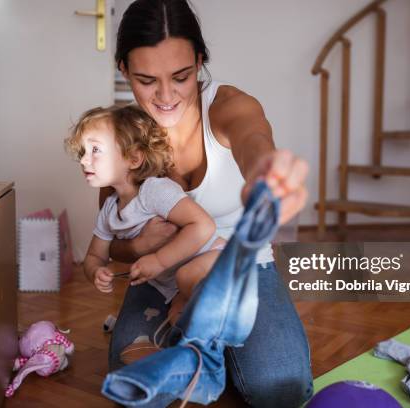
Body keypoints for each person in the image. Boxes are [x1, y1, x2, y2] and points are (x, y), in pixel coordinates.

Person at [106, 0, 313, 406]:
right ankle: (208, 345)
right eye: (147, 80)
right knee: (139, 389)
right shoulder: (118, 139)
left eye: (180, 77)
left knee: (280, 387)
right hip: (163, 277)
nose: (166, 96)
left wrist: (267, 175)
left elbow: (254, 141)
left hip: (237, 268)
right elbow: (112, 243)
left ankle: (217, 345)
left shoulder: (230, 106)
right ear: (124, 70)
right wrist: (140, 246)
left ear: (200, 62)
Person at [65, 105, 226, 328]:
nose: (83, 160)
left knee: (187, 277)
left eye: (95, 150)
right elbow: (94, 255)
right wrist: (96, 272)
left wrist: (159, 260)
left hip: (215, 259)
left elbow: (203, 225)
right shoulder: (109, 210)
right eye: (83, 152)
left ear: (133, 158)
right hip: (173, 285)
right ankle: (210, 354)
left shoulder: (154, 190)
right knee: (178, 321)